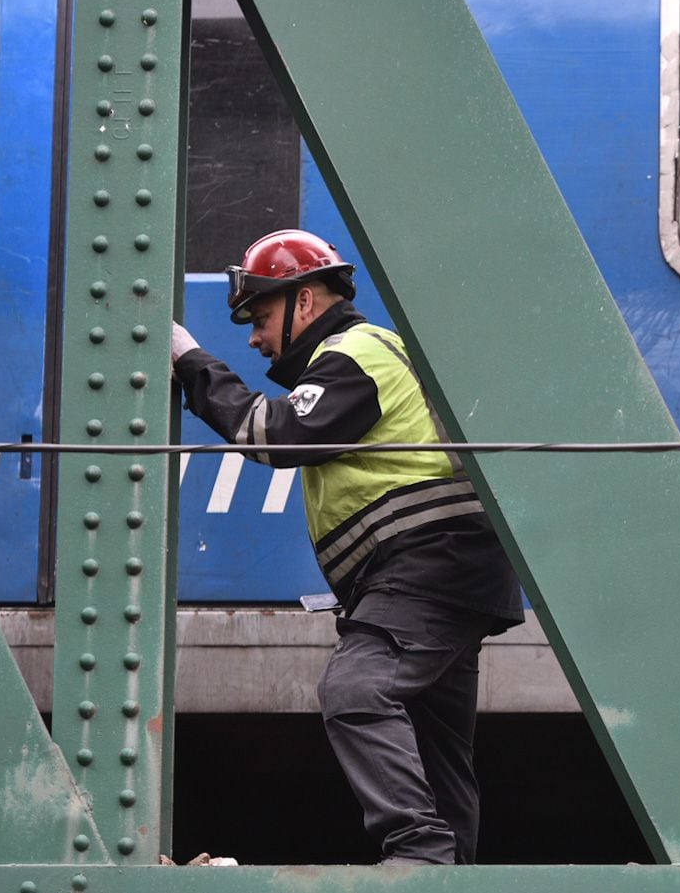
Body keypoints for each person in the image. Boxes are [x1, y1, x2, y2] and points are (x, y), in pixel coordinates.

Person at [169, 229, 523, 865]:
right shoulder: (363, 356)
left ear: (305, 301)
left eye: (260, 315)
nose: (253, 337)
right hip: (446, 574)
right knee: (437, 749)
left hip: (426, 567)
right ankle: (451, 879)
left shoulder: (354, 353)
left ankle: (419, 857)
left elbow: (276, 435)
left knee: (357, 691)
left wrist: (193, 364)